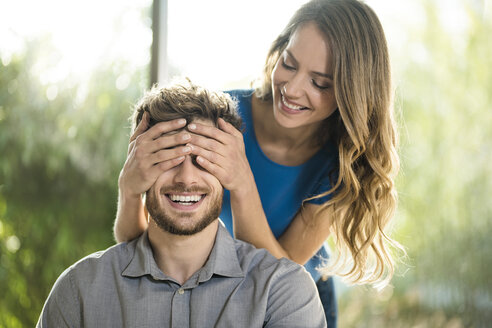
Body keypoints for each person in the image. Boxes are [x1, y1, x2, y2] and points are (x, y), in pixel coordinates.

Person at [115, 0, 402, 326]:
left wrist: (241, 180)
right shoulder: (219, 121)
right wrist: (129, 191)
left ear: (353, 93)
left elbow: (280, 274)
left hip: (293, 304)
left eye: (319, 83)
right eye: (289, 64)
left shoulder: (343, 165)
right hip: (219, 294)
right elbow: (138, 251)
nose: (292, 90)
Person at [37, 81, 327, 328]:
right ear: (139, 166)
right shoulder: (79, 291)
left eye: (204, 160)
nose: (186, 178)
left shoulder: (285, 292)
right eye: (167, 158)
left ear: (229, 169)